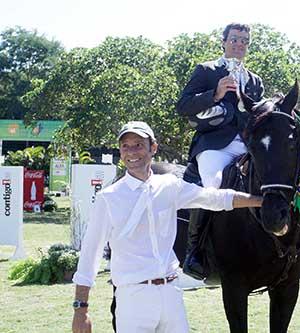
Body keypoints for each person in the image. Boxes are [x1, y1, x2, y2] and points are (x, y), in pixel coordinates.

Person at [71, 121, 262, 333]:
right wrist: (81, 310)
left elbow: (215, 198)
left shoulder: (169, 185)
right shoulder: (108, 198)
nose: (131, 152)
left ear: (153, 147)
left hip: (171, 294)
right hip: (132, 299)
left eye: (138, 145)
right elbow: (90, 255)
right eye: (126, 146)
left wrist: (260, 200)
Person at [176, 22, 265, 279]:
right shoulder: (206, 70)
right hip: (214, 145)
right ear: (224, 41)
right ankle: (194, 251)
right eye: (235, 39)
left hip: (246, 146)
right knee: (212, 190)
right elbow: (183, 106)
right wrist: (215, 94)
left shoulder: (254, 80)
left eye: (244, 41)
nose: (239, 45)